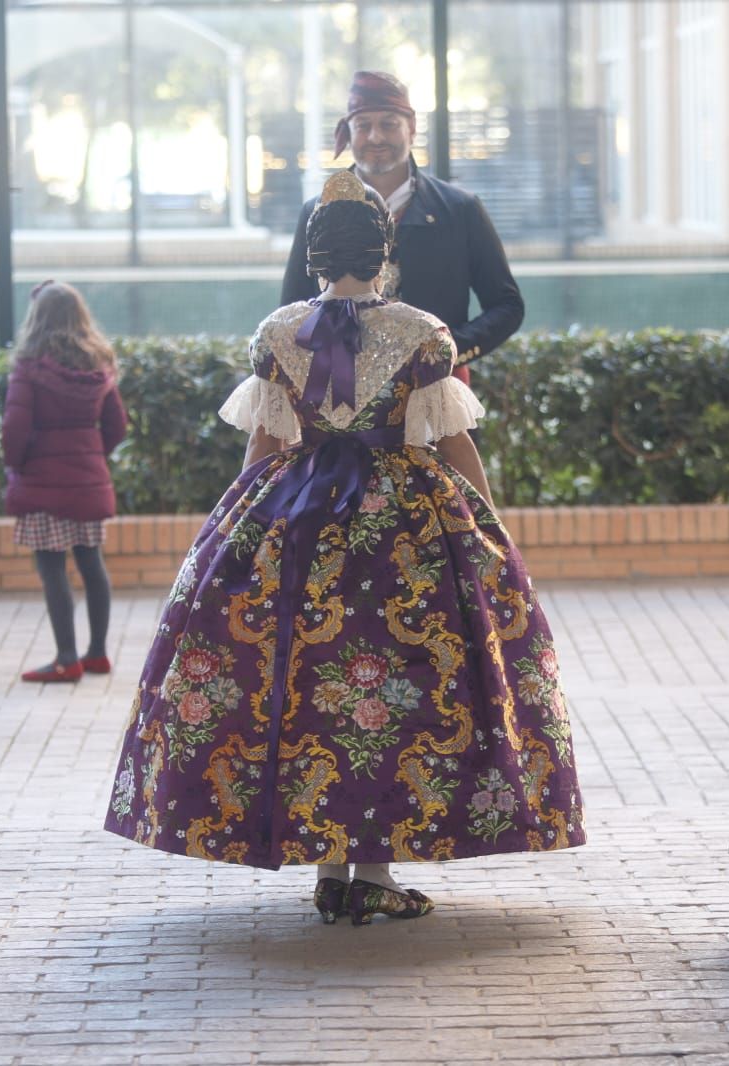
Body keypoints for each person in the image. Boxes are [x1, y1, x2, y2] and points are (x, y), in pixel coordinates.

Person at [104, 171, 584, 924]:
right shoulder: (425, 333)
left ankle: (333, 863)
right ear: (384, 252)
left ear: (314, 257)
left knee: (309, 688)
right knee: (404, 689)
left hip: (294, 517)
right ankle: (372, 869)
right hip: (408, 528)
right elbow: (451, 442)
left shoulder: (275, 332)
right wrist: (488, 527)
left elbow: (265, 443)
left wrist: (234, 535)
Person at [280, 71, 523, 385]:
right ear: (348, 132)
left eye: (388, 124)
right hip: (338, 397)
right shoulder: (317, 211)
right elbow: (291, 312)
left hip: (438, 394)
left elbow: (507, 306)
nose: (376, 137)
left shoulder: (460, 210)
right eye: (363, 125)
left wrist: (447, 350)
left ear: (412, 128)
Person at [2, 281, 127, 683]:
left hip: (42, 483)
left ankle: (65, 657)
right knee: (91, 562)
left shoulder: (29, 366)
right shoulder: (98, 364)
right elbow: (116, 426)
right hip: (88, 480)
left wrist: (15, 465)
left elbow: (15, 429)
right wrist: (92, 455)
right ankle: (97, 654)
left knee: (52, 566)